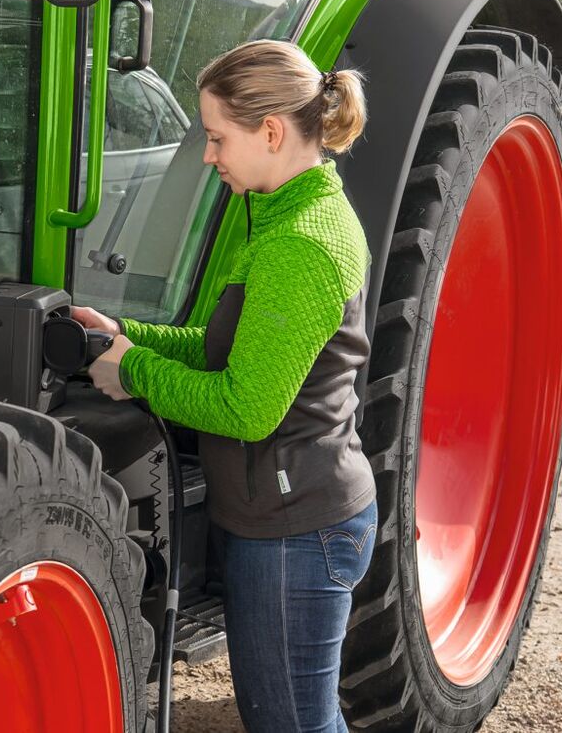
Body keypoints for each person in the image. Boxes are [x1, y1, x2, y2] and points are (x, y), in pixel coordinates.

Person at [74, 39, 377, 733]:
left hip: (297, 530)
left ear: (270, 132)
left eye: (217, 138)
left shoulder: (299, 243)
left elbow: (246, 407)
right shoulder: (283, 213)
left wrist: (133, 373)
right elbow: (226, 352)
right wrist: (124, 333)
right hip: (289, 516)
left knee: (294, 724)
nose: (209, 157)